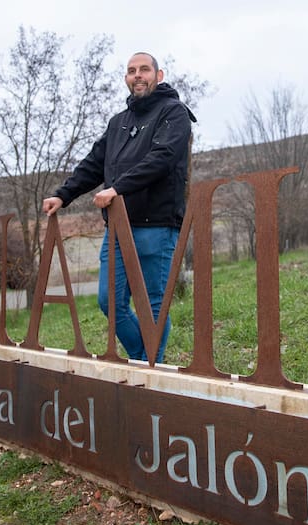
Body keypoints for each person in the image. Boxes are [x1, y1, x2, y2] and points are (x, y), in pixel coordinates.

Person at [42, 52, 196, 363]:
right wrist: (63, 195)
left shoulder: (174, 113)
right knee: (109, 301)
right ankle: (144, 357)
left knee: (153, 304)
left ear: (159, 75)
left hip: (157, 226)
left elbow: (162, 158)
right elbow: (93, 165)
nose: (137, 75)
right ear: (126, 78)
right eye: (131, 71)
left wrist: (118, 188)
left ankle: (150, 366)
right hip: (117, 227)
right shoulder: (118, 123)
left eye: (144, 70)